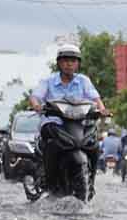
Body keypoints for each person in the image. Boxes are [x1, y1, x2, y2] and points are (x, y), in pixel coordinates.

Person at [29, 43, 109, 188]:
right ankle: (49, 180)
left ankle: (91, 181)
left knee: (94, 144)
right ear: (59, 63)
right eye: (65, 61)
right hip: (54, 124)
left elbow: (95, 99)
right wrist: (37, 105)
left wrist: (102, 109)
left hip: (79, 124)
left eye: (73, 61)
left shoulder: (83, 81)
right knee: (51, 142)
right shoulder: (48, 81)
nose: (69, 64)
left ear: (78, 64)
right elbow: (35, 96)